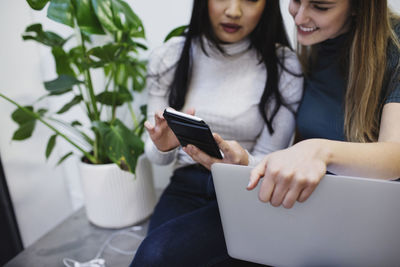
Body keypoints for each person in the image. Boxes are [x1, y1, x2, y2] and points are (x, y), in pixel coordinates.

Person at [130, 0, 303, 266]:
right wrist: (163, 145)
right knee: (154, 255)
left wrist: (243, 161)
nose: (233, 11)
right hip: (186, 186)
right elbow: (156, 156)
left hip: (247, 191)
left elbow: (271, 158)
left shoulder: (284, 65)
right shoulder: (169, 57)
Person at [247, 0, 400, 209]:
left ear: (359, 7)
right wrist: (248, 164)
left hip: (372, 213)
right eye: (296, 1)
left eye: (320, 7)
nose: (299, 18)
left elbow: (395, 156)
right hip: (316, 205)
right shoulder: (317, 43)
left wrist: (320, 151)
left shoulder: (395, 48)